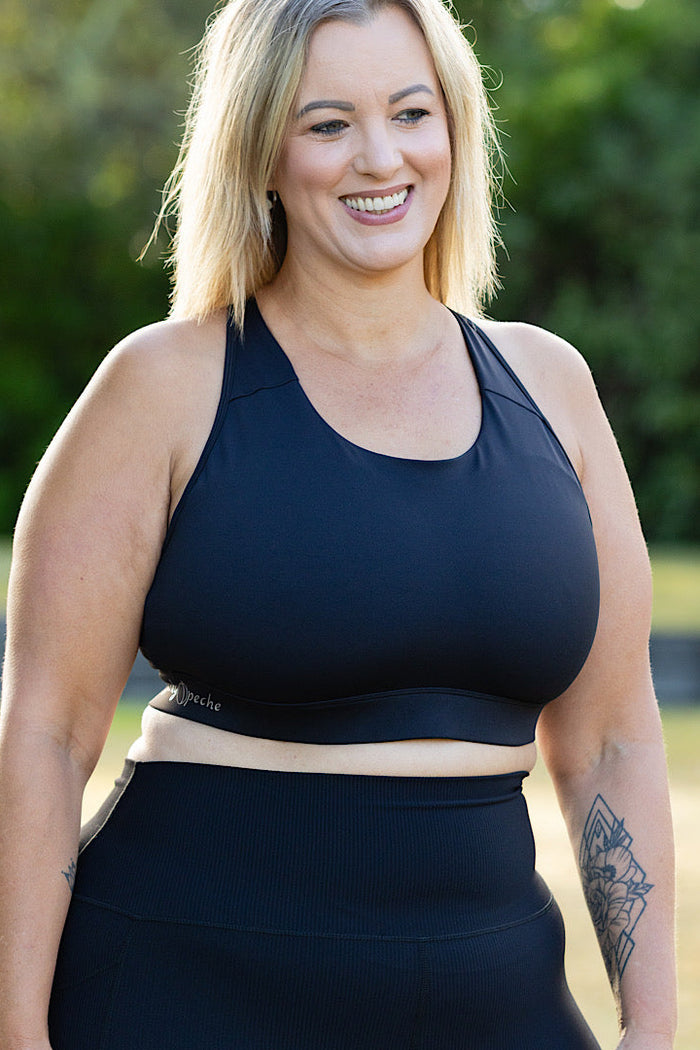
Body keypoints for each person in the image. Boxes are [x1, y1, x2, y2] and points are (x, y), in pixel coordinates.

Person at [0, 0, 676, 1047]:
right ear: (261, 152)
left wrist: (653, 1023)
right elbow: (47, 733)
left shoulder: (551, 386)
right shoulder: (163, 385)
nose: (379, 158)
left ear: (454, 128)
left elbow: (613, 740)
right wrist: (17, 1029)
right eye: (327, 124)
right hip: (181, 986)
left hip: (491, 994)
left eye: (411, 113)